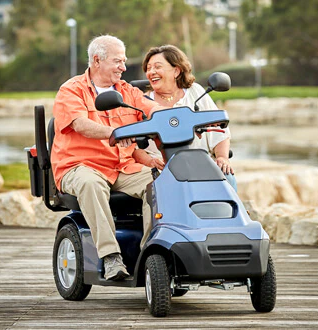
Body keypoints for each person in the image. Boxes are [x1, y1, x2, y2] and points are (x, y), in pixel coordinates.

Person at [51, 35, 162, 281]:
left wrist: (176, 116)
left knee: (159, 184)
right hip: (79, 165)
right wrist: (114, 133)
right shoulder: (72, 90)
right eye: (117, 61)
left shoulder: (127, 91)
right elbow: (80, 124)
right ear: (97, 60)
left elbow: (152, 108)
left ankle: (149, 255)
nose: (123, 67)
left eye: (123, 61)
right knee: (91, 185)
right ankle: (111, 257)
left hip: (121, 166)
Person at [133, 45, 237, 191]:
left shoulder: (196, 92)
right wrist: (150, 161)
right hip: (160, 168)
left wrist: (222, 157)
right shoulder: (141, 101)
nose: (151, 72)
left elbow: (220, 131)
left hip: (199, 162)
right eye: (148, 68)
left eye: (157, 67)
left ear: (176, 70)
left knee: (227, 177)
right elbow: (133, 147)